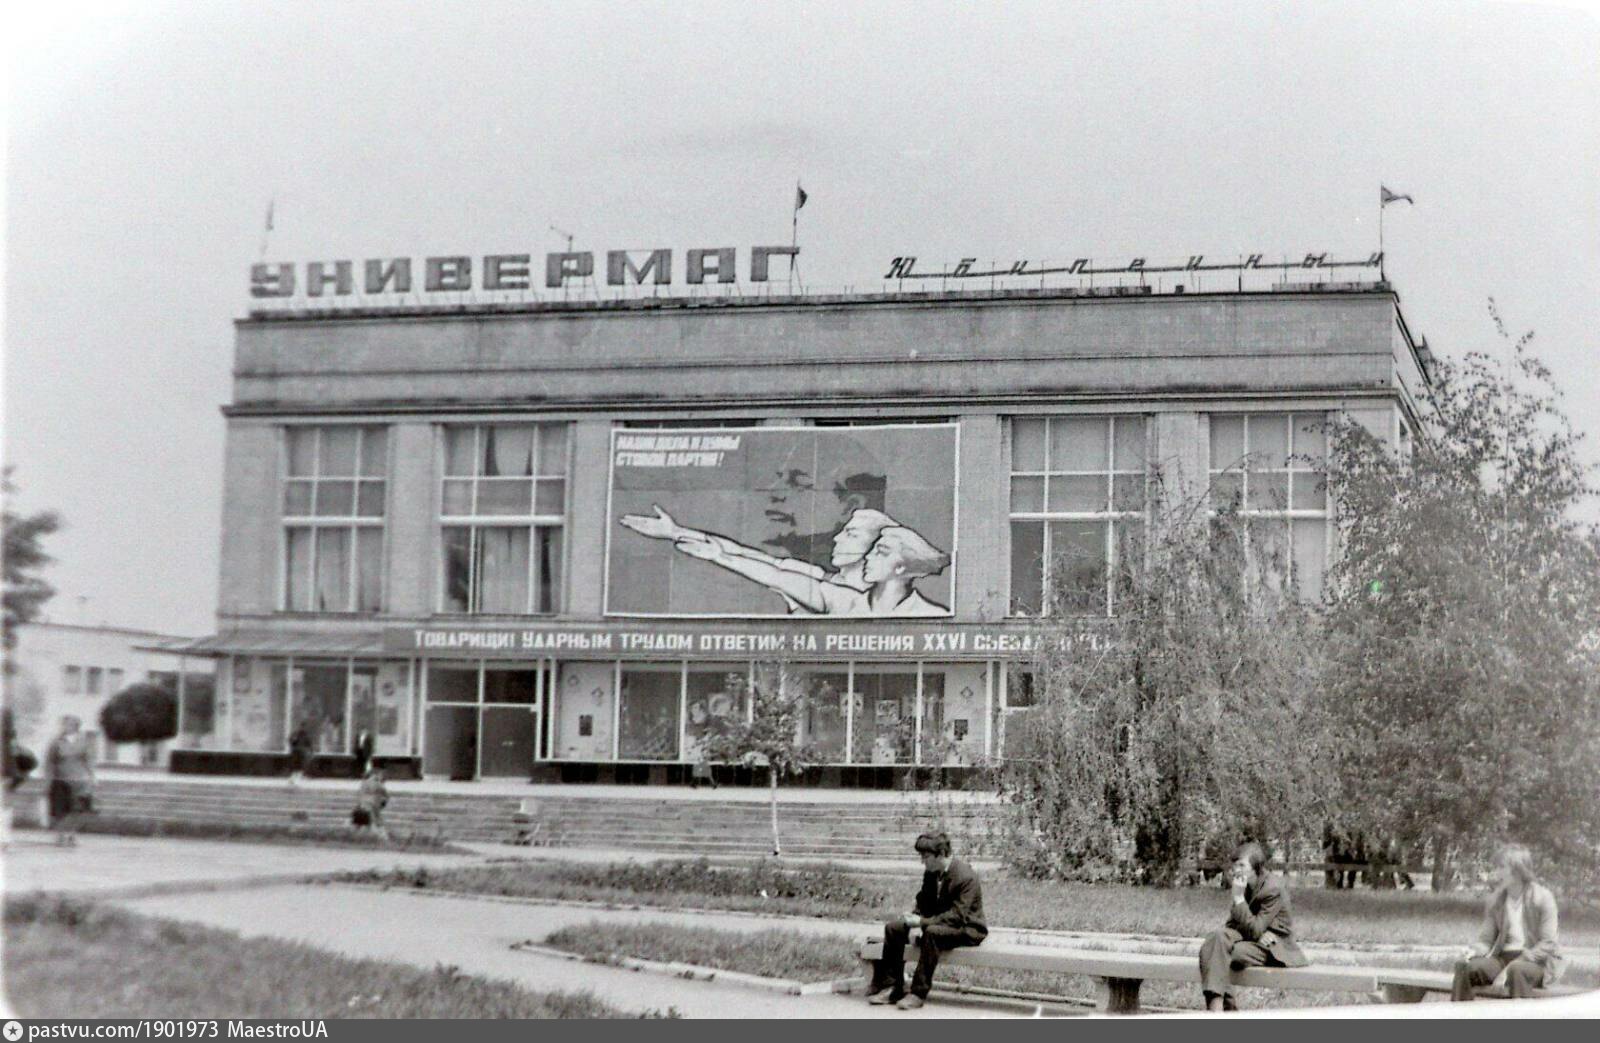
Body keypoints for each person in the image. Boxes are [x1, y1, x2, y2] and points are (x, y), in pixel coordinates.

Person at [619, 504, 898, 615]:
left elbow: (774, 576)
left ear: (875, 547)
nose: (837, 539)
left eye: (851, 535)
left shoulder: (858, 599)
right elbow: (756, 557)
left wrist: (721, 557)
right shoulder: (822, 577)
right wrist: (675, 532)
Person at [867, 832, 987, 1010]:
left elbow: (957, 916)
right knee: (893, 928)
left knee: (932, 933)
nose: (922, 861)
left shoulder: (965, 876)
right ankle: (892, 987)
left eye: (925, 856)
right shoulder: (932, 873)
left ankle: (918, 992)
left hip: (968, 929)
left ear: (941, 854)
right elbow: (924, 901)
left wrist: (922, 923)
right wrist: (914, 918)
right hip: (940, 923)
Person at [1197, 841, 1308, 1012]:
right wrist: (1257, 931)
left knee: (1216, 954)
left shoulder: (1272, 888)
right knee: (1215, 939)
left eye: (1242, 865)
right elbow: (1232, 925)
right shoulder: (1243, 885)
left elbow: (1254, 928)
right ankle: (1221, 1012)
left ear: (1256, 867)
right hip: (1255, 939)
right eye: (1235, 865)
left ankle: (1220, 1012)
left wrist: (1239, 899)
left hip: (1273, 947)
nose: (1236, 870)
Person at [1450, 843, 1563, 1000]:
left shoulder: (1543, 898)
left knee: (1516, 970)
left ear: (1518, 870)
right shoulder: (1497, 900)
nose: (1496, 873)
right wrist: (1472, 952)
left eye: (1501, 867)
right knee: (1465, 967)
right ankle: (1458, 1013)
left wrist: (1511, 967)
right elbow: (1486, 941)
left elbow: (1548, 943)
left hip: (1536, 962)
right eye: (1496, 867)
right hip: (1503, 959)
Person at [44, 715, 94, 847]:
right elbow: (49, 762)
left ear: (76, 727)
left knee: (76, 810)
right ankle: (60, 836)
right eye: (64, 724)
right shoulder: (56, 742)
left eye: (69, 724)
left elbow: (89, 761)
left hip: (79, 781)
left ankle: (72, 835)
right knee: (59, 810)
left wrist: (92, 778)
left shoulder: (84, 742)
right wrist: (48, 780)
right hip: (59, 780)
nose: (65, 727)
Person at [352, 766, 390, 841]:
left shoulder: (364, 783)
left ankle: (355, 836)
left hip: (363, 805)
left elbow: (360, 794)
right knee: (377, 821)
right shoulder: (378, 784)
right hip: (372, 805)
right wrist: (383, 802)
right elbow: (385, 795)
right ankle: (383, 837)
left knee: (359, 824)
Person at [287, 720, 313, 786]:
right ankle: (293, 779)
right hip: (296, 752)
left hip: (301, 752)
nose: (303, 728)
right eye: (303, 726)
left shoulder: (305, 735)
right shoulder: (296, 734)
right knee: (296, 766)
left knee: (300, 766)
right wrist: (293, 744)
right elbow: (290, 740)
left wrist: (310, 751)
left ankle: (295, 779)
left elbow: (309, 743)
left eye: (304, 727)